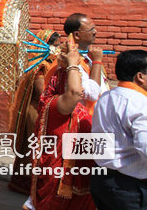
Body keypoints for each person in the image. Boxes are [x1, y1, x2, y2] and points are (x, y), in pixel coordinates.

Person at [29, 40, 96, 210]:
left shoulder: (77, 107)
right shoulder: (56, 104)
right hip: (61, 176)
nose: (81, 87)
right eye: (77, 80)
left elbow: (89, 92)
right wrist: (73, 65)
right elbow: (74, 93)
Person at [90, 50, 147, 209]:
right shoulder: (141, 104)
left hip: (102, 180)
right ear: (140, 77)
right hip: (128, 187)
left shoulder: (107, 96)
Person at [8, 30, 60, 195]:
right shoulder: (40, 66)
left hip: (44, 110)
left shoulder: (53, 63)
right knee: (33, 147)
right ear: (46, 46)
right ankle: (27, 184)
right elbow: (41, 92)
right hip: (36, 111)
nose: (58, 49)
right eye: (56, 46)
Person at [61, 13, 109, 114]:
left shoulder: (88, 57)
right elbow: (92, 93)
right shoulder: (70, 60)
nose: (95, 32)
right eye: (91, 29)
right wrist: (97, 62)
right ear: (77, 35)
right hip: (80, 119)